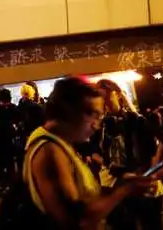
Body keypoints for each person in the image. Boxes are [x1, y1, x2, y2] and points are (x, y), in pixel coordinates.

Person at [24, 77, 155, 229]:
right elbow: (78, 220)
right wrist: (125, 189)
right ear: (70, 111)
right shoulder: (51, 151)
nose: (96, 125)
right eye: (93, 114)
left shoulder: (60, 143)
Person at [91, 79, 163, 230]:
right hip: (114, 184)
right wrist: (108, 165)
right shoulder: (99, 126)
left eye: (106, 97)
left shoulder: (137, 121)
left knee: (150, 223)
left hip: (141, 180)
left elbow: (152, 151)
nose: (104, 102)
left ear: (117, 94)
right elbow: (93, 152)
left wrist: (145, 174)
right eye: (99, 98)